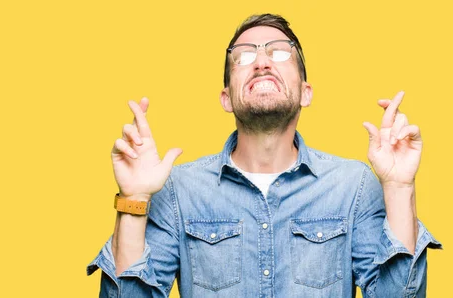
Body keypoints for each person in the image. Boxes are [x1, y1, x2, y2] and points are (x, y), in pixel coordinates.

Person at [87, 13, 441, 297]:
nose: (260, 62)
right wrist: (133, 200)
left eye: (279, 52)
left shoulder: (355, 186)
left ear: (306, 92)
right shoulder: (179, 190)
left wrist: (398, 188)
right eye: (243, 56)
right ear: (226, 98)